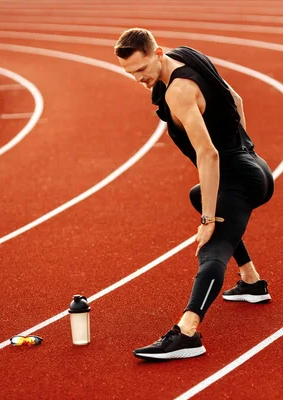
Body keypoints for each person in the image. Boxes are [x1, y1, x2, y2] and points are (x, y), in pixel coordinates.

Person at [114, 28, 274, 361]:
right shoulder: (186, 54)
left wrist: (208, 220)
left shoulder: (178, 92)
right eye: (130, 74)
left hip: (239, 177)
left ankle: (187, 333)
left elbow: (209, 155)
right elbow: (237, 100)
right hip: (253, 165)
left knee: (211, 247)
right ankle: (251, 282)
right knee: (199, 194)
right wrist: (244, 150)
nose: (138, 79)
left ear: (157, 54)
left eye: (141, 70)